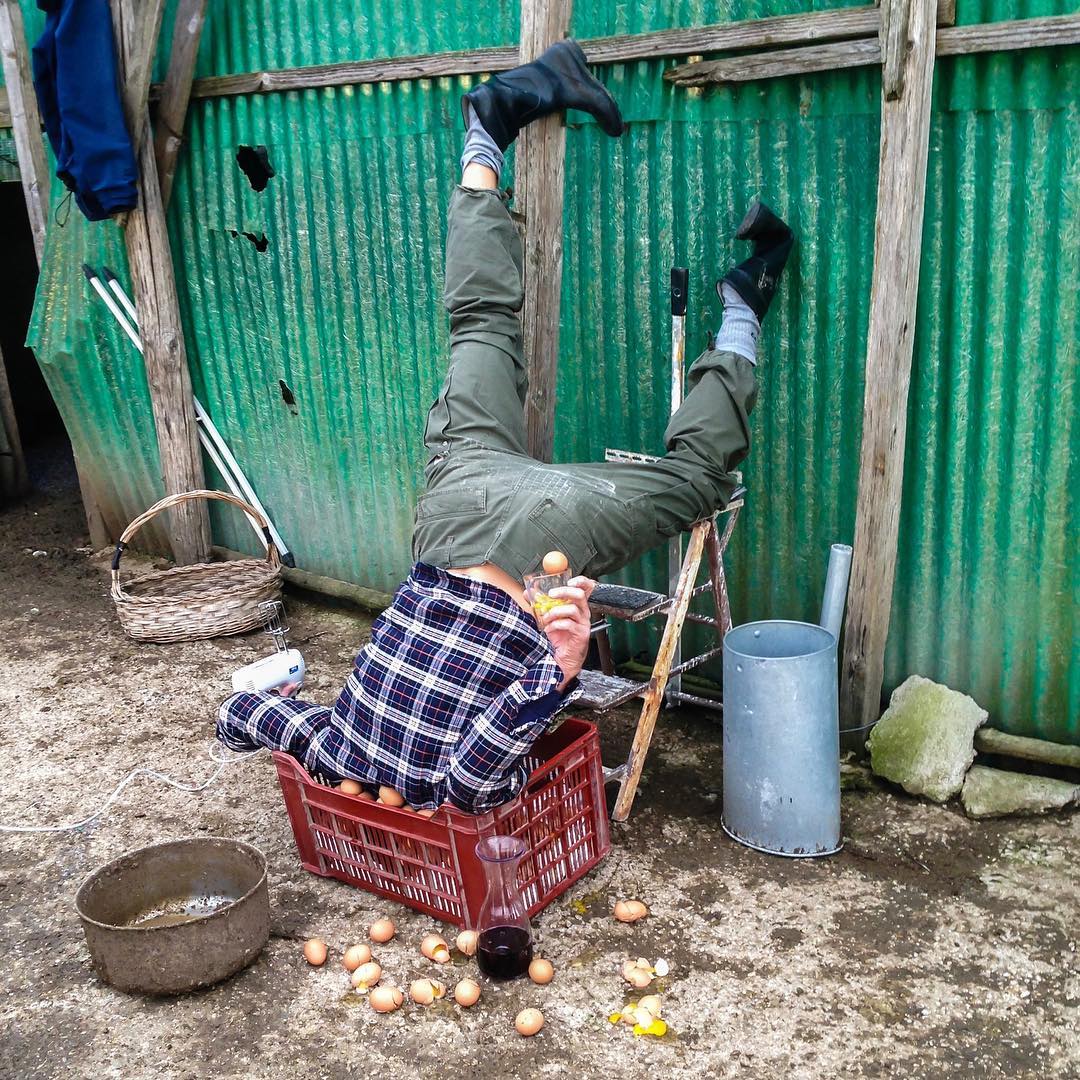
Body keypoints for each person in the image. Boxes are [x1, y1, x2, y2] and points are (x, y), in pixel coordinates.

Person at [217, 40, 794, 814]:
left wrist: (559, 669)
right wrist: (259, 708)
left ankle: (743, 304)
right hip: (452, 513)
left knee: (698, 480)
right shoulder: (333, 745)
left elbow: (481, 779)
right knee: (480, 326)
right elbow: (248, 713)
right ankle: (487, 131)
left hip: (535, 551)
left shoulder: (438, 786)